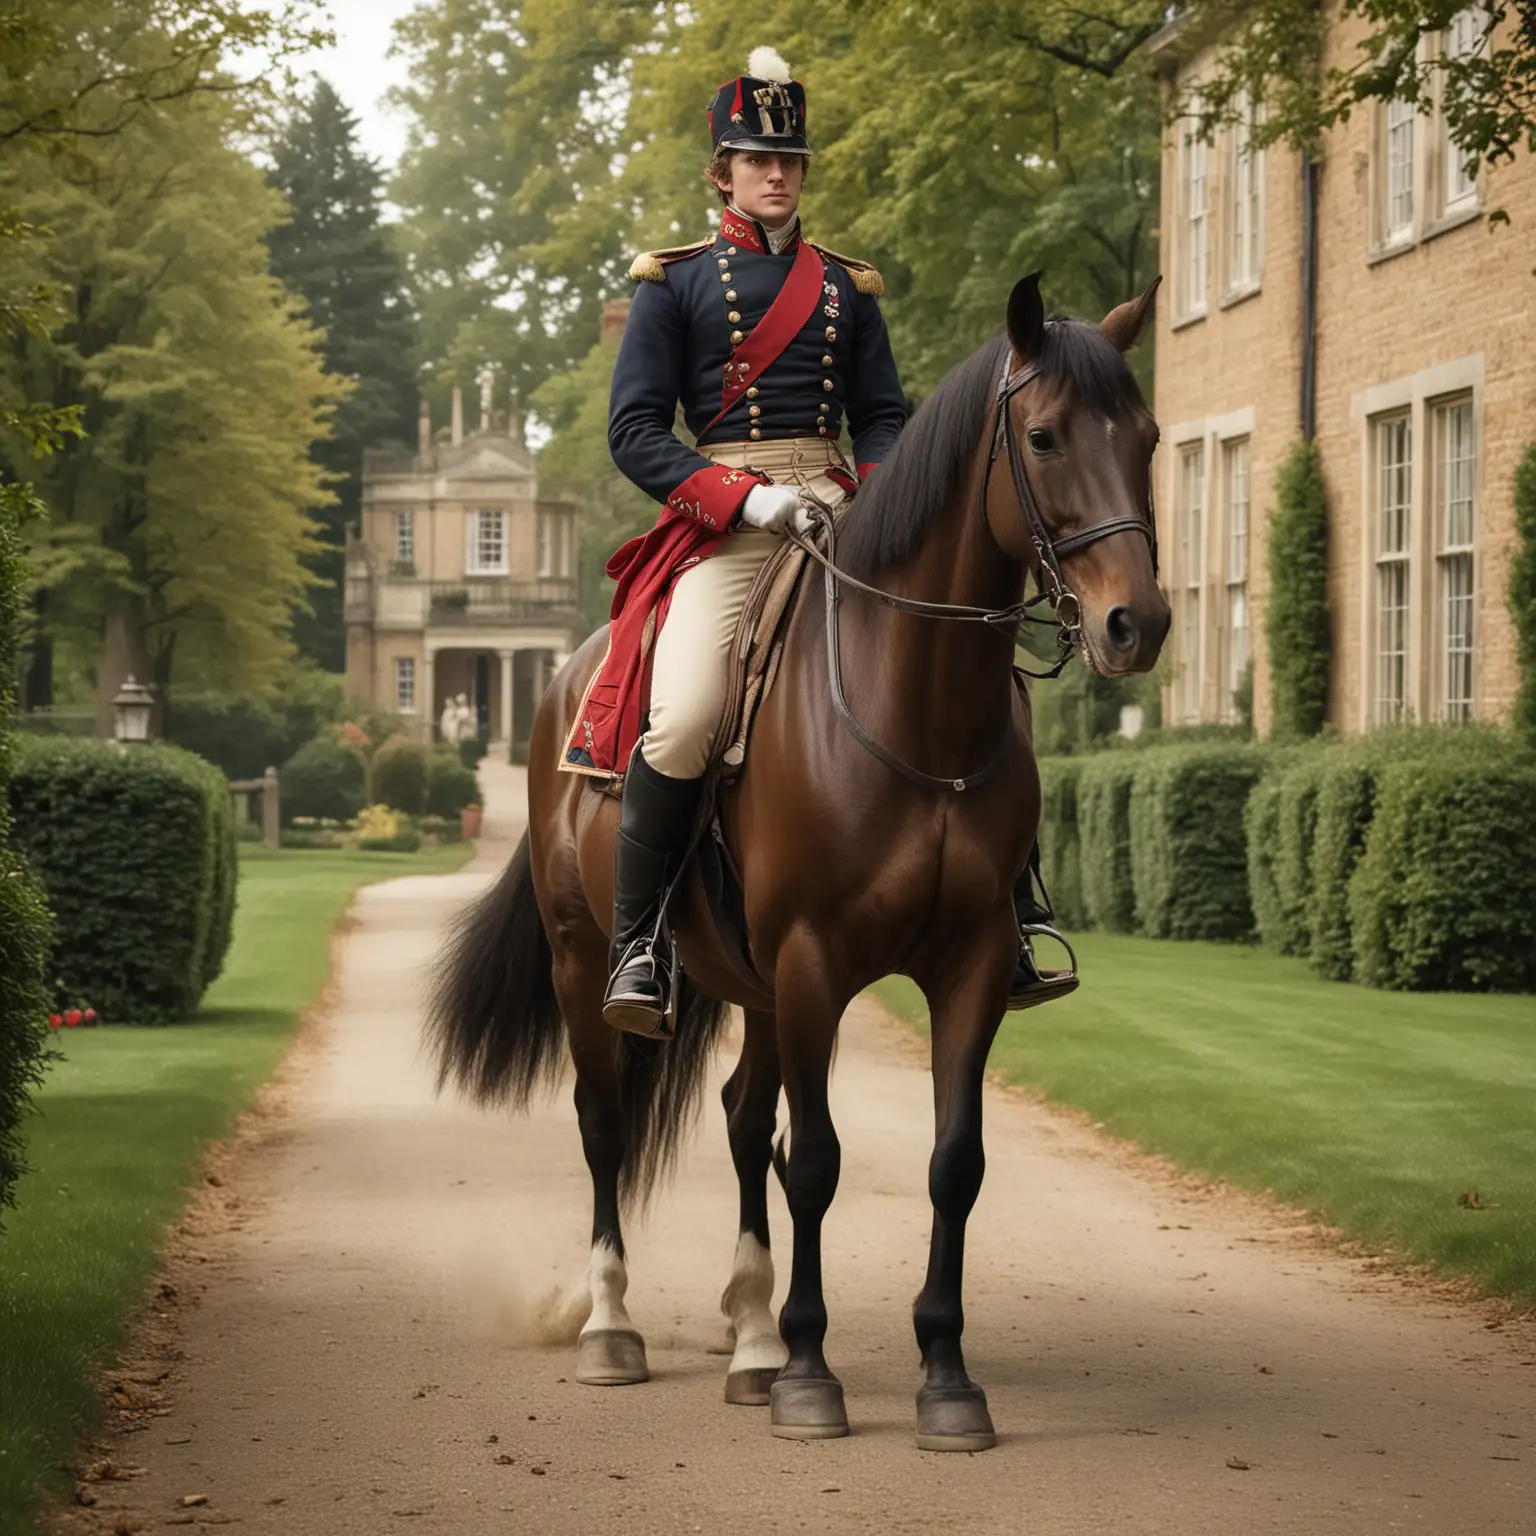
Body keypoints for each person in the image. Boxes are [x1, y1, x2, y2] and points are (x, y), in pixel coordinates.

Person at [562, 48, 1072, 1036]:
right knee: (688, 712)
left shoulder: (850, 288)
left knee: (977, 675)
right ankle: (640, 941)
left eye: (790, 158)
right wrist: (745, 503)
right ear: (723, 171)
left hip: (845, 514)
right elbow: (633, 434)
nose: (777, 174)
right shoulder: (671, 285)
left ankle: (1012, 909)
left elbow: (886, 418)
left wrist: (876, 499)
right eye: (757, 158)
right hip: (733, 524)